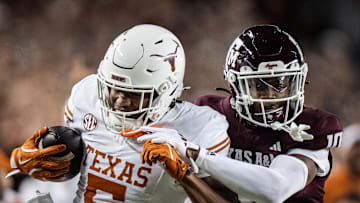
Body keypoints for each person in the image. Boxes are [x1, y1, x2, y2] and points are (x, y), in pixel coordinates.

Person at [8, 24, 231, 202]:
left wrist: (185, 176)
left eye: (133, 94)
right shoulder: (87, 95)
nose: (119, 101)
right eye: (113, 89)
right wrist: (27, 160)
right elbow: (69, 166)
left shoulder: (201, 129)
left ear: (166, 91)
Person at [139, 25, 343, 202]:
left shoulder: (311, 127)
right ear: (236, 85)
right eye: (259, 86)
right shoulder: (210, 114)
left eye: (280, 84)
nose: (271, 95)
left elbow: (275, 190)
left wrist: (197, 154)